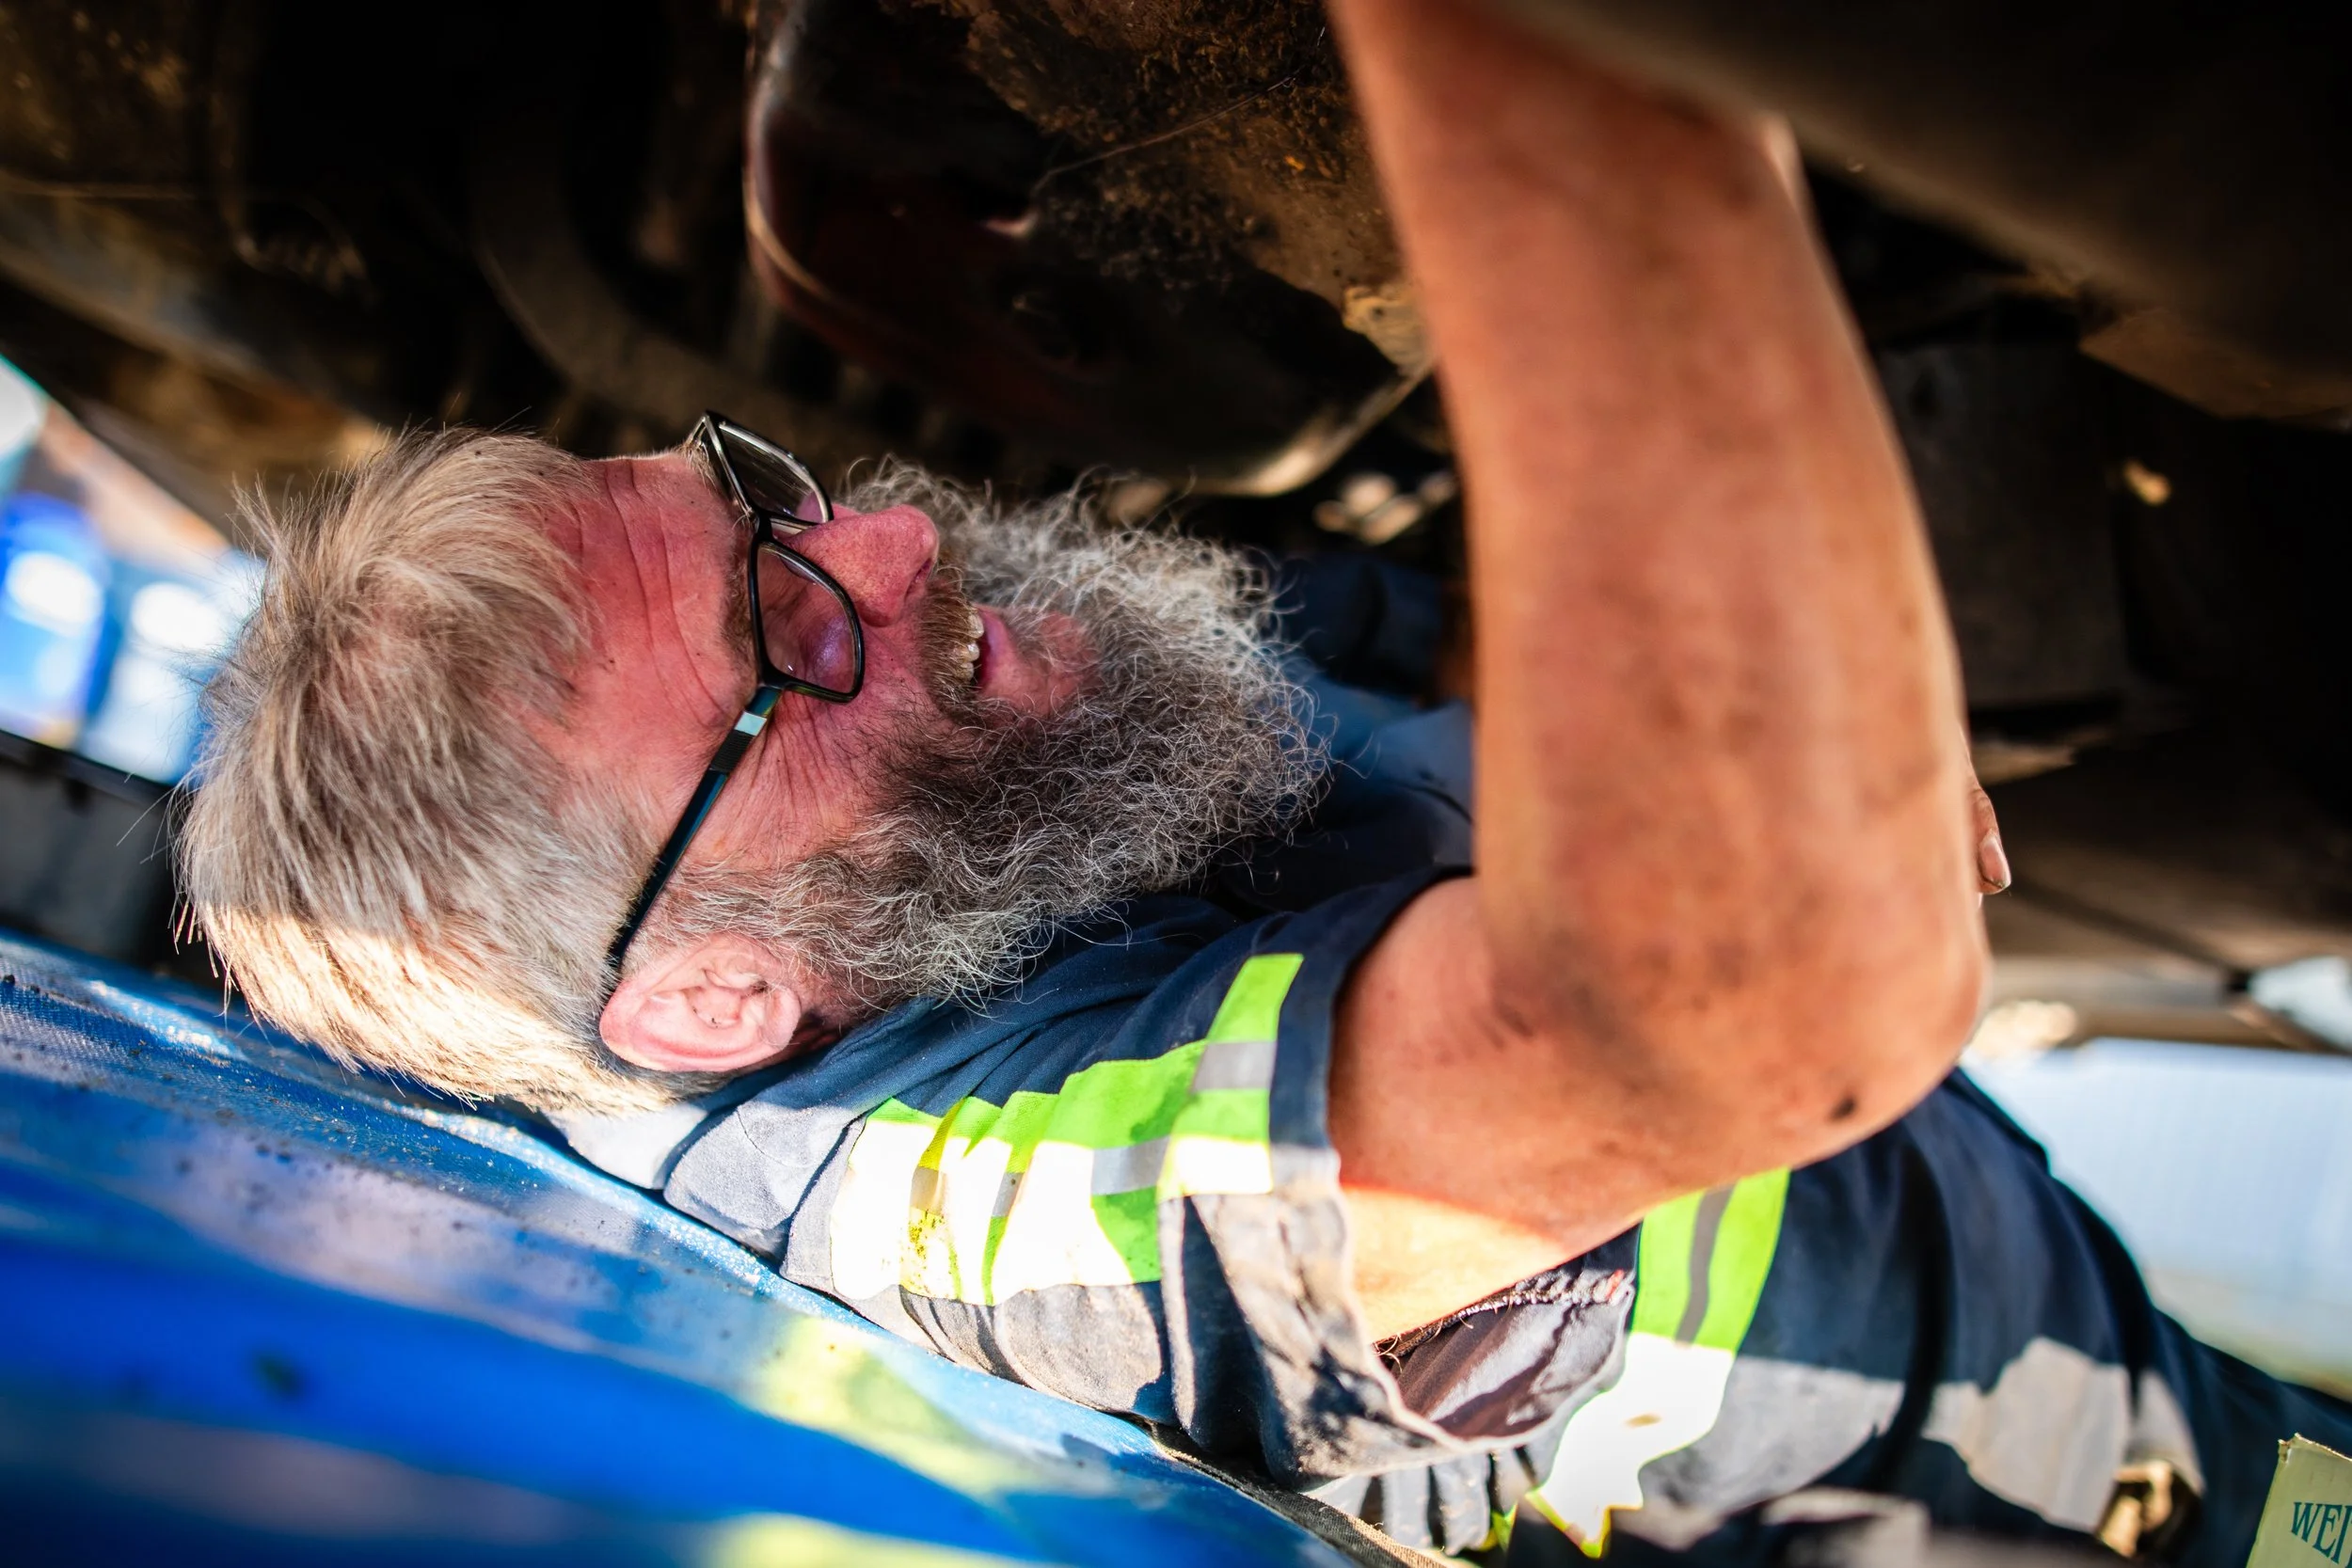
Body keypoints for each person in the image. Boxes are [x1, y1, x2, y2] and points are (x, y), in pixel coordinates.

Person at [177, 0, 2350, 1561]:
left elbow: (1425, 644)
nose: (894, 536)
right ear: (711, 1001)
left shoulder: (989, 754)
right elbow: (1754, 1011)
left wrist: (1740, 685)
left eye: (770, 503)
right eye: (786, 641)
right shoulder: (943, 1193)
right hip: (2035, 1481)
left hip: (2030, 1249)